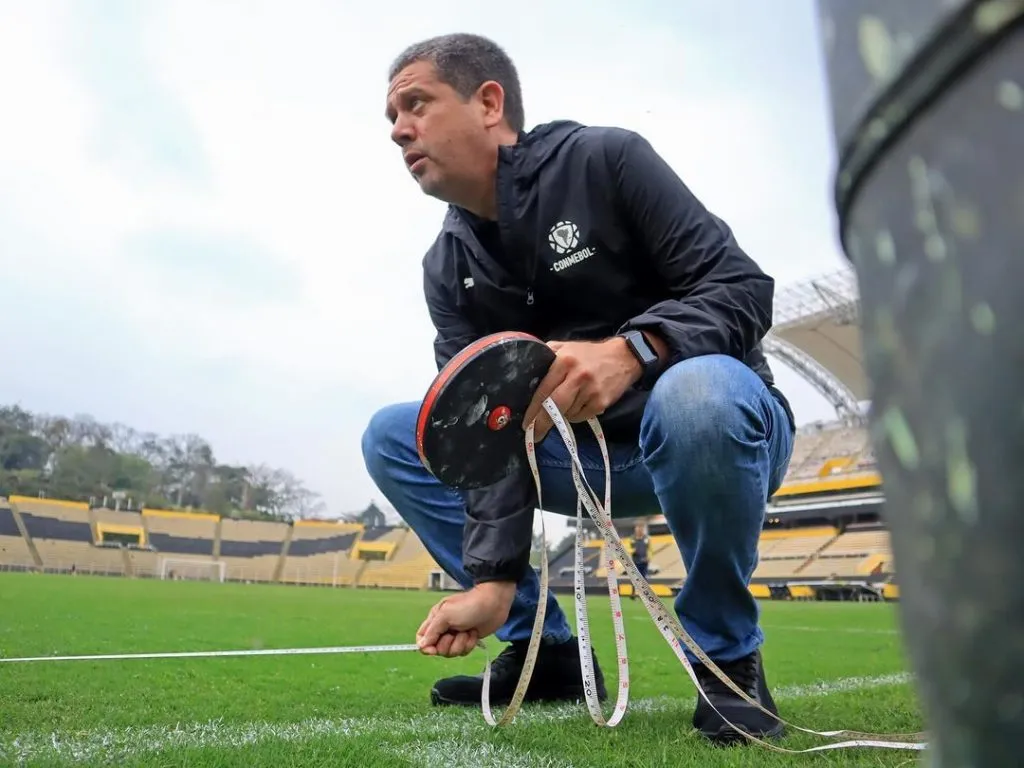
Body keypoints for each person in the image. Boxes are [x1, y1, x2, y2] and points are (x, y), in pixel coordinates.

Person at [363, 32, 796, 744]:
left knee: (696, 394)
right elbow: (483, 430)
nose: (400, 130)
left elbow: (742, 288)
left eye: (416, 104)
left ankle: (726, 659)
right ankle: (551, 654)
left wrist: (634, 350)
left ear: (489, 103)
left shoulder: (606, 159)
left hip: (710, 432)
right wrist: (495, 578)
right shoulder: (446, 266)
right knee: (395, 434)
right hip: (581, 463)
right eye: (391, 120)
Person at [630, 522, 650, 600]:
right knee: (635, 578)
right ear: (635, 529)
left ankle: (645, 595)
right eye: (638, 528)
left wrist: (648, 557)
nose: (639, 529)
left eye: (641, 528)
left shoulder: (646, 538)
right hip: (635, 562)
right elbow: (628, 548)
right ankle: (633, 594)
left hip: (644, 562)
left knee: (644, 579)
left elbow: (650, 550)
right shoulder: (632, 538)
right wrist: (633, 550)